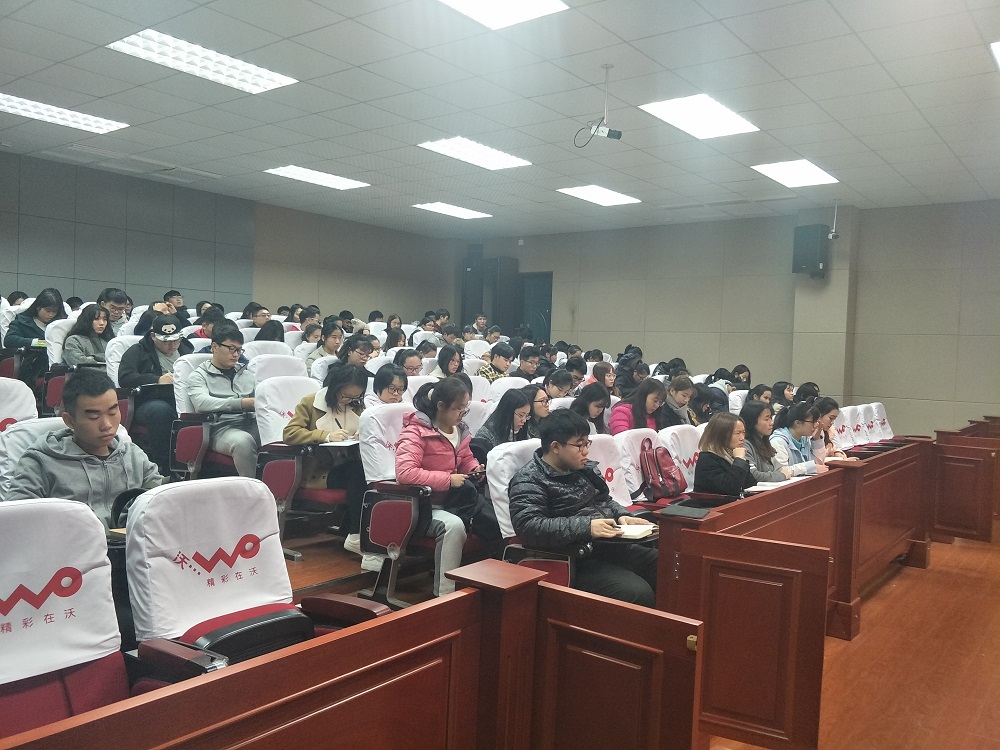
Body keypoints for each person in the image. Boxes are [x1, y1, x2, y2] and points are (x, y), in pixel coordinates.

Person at [508, 409, 657, 606]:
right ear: (555, 446)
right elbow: (528, 527)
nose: (586, 451)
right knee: (637, 593)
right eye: (579, 445)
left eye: (587, 443)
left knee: (668, 565)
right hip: (575, 559)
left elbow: (605, 500)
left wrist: (622, 515)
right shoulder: (529, 479)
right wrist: (587, 527)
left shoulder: (584, 469)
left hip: (610, 547)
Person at [5, 369, 163, 528]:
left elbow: (160, 500)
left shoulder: (133, 455)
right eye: (94, 417)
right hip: (72, 541)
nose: (107, 425)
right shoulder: (41, 462)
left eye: (113, 412)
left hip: (131, 541)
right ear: (69, 421)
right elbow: (16, 520)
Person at [396, 379, 501, 596]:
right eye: (458, 409)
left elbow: (466, 459)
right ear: (440, 406)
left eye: (465, 409)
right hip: (423, 506)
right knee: (453, 526)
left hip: (455, 501)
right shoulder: (416, 432)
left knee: (498, 520)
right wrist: (448, 479)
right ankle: (445, 594)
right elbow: (405, 473)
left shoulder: (459, 431)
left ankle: (490, 585)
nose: (462, 414)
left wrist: (474, 469)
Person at [283, 364, 371, 564]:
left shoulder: (357, 405)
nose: (349, 401)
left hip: (346, 463)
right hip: (319, 470)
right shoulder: (311, 403)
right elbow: (289, 433)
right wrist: (326, 435)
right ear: (335, 387)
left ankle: (361, 532)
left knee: (368, 472)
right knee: (358, 472)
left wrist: (363, 432)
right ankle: (356, 534)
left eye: (355, 397)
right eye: (345, 396)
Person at [118, 315, 193, 472]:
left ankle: (190, 460)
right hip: (148, 401)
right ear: (153, 336)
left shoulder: (187, 351)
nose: (172, 346)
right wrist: (157, 379)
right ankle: (164, 464)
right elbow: (125, 377)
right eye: (166, 342)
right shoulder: (138, 351)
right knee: (160, 411)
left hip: (181, 397)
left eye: (176, 340)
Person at [187, 326, 259, 478]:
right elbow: (201, 403)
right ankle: (250, 487)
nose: (236, 355)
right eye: (231, 349)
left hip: (251, 423)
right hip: (220, 428)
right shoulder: (199, 376)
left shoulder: (246, 374)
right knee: (243, 442)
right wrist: (241, 403)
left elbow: (260, 399)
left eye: (239, 350)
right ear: (214, 347)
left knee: (283, 433)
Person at [5, 288, 67, 388]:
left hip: (59, 368)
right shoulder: (22, 321)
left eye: (54, 312)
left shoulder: (61, 325)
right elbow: (9, 340)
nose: (51, 315)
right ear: (38, 307)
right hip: (34, 368)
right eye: (47, 311)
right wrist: (35, 342)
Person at [693, 412, 755, 496]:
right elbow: (730, 488)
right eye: (737, 433)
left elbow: (751, 484)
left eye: (743, 432)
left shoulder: (732, 454)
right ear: (721, 435)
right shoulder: (707, 459)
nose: (742, 438)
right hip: (714, 503)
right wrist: (739, 460)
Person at [470, 388, 531, 465]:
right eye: (521, 415)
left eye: (527, 416)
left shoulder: (522, 431)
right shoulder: (486, 436)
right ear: (508, 412)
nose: (524, 420)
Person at [770, 401, 827, 476]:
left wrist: (816, 440)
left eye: (816, 421)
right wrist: (808, 468)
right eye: (812, 422)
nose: (816, 425)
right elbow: (781, 471)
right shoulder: (778, 441)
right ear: (797, 423)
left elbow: (818, 465)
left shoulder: (804, 438)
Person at [740, 400, 792, 483]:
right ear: (752, 421)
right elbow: (753, 475)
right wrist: (781, 476)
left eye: (771, 418)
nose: (771, 423)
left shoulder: (764, 441)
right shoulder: (744, 444)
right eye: (767, 419)